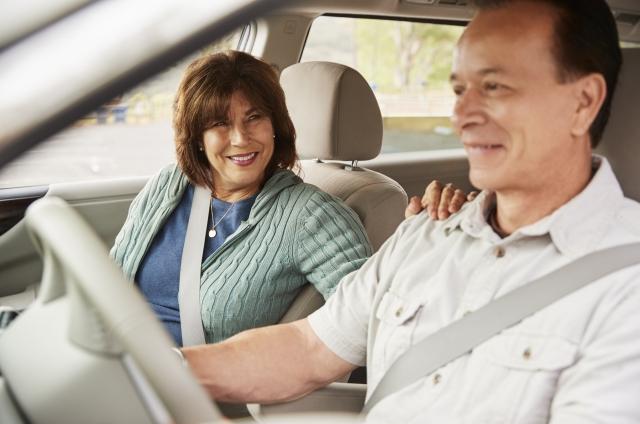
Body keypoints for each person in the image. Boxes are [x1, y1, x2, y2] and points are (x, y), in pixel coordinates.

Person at [180, 0, 640, 424]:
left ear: (582, 103)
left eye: (495, 86)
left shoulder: (625, 281)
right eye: (460, 89)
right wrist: (160, 370)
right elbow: (309, 347)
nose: (463, 114)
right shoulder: (426, 235)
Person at [110, 50, 465, 346]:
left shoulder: (311, 217)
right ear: (196, 135)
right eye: (219, 123)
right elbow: (112, 280)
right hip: (115, 360)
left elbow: (378, 320)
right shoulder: (169, 184)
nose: (240, 138)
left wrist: (425, 253)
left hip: (190, 398)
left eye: (254, 118)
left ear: (276, 125)